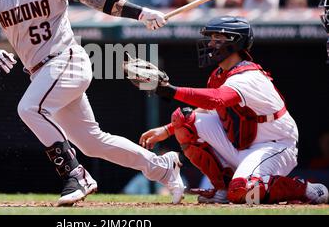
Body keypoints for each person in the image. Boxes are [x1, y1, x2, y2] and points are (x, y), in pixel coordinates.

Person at [0, 0, 184, 206]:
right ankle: (162, 167)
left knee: (29, 108)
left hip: (66, 59)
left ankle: (75, 173)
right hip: (41, 74)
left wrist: (141, 13)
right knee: (92, 142)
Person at [138, 16, 329, 204]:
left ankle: (306, 189)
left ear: (235, 43)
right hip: (242, 144)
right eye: (211, 38)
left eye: (217, 39)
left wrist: (170, 90)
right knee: (184, 120)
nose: (211, 44)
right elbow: (208, 109)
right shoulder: (219, 75)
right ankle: (222, 187)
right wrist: (167, 130)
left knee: (242, 191)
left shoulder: (248, 76)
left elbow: (216, 99)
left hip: (275, 146)